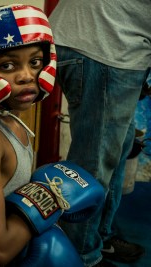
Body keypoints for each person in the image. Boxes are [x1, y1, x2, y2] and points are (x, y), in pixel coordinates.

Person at [0, 4, 106, 267]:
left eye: (35, 62)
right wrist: (48, 199)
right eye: (8, 65)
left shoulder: (9, 116)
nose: (27, 75)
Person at [49, 1, 151, 267]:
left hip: (103, 42)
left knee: (115, 152)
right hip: (105, 44)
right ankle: (81, 255)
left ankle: (98, 238)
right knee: (94, 163)